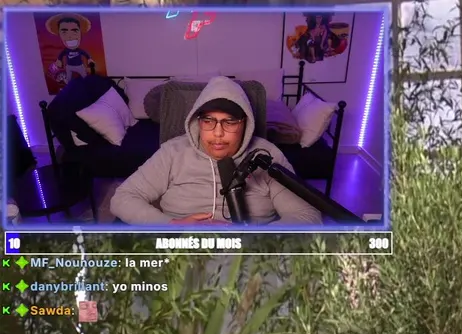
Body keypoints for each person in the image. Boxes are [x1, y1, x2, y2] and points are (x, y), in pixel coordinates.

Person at [111, 76, 322, 226]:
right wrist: (173, 226)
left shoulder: (267, 155)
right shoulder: (172, 152)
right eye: (209, 121)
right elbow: (123, 198)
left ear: (245, 123)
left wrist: (254, 240)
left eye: (229, 122)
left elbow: (307, 215)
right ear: (197, 121)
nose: (218, 133)